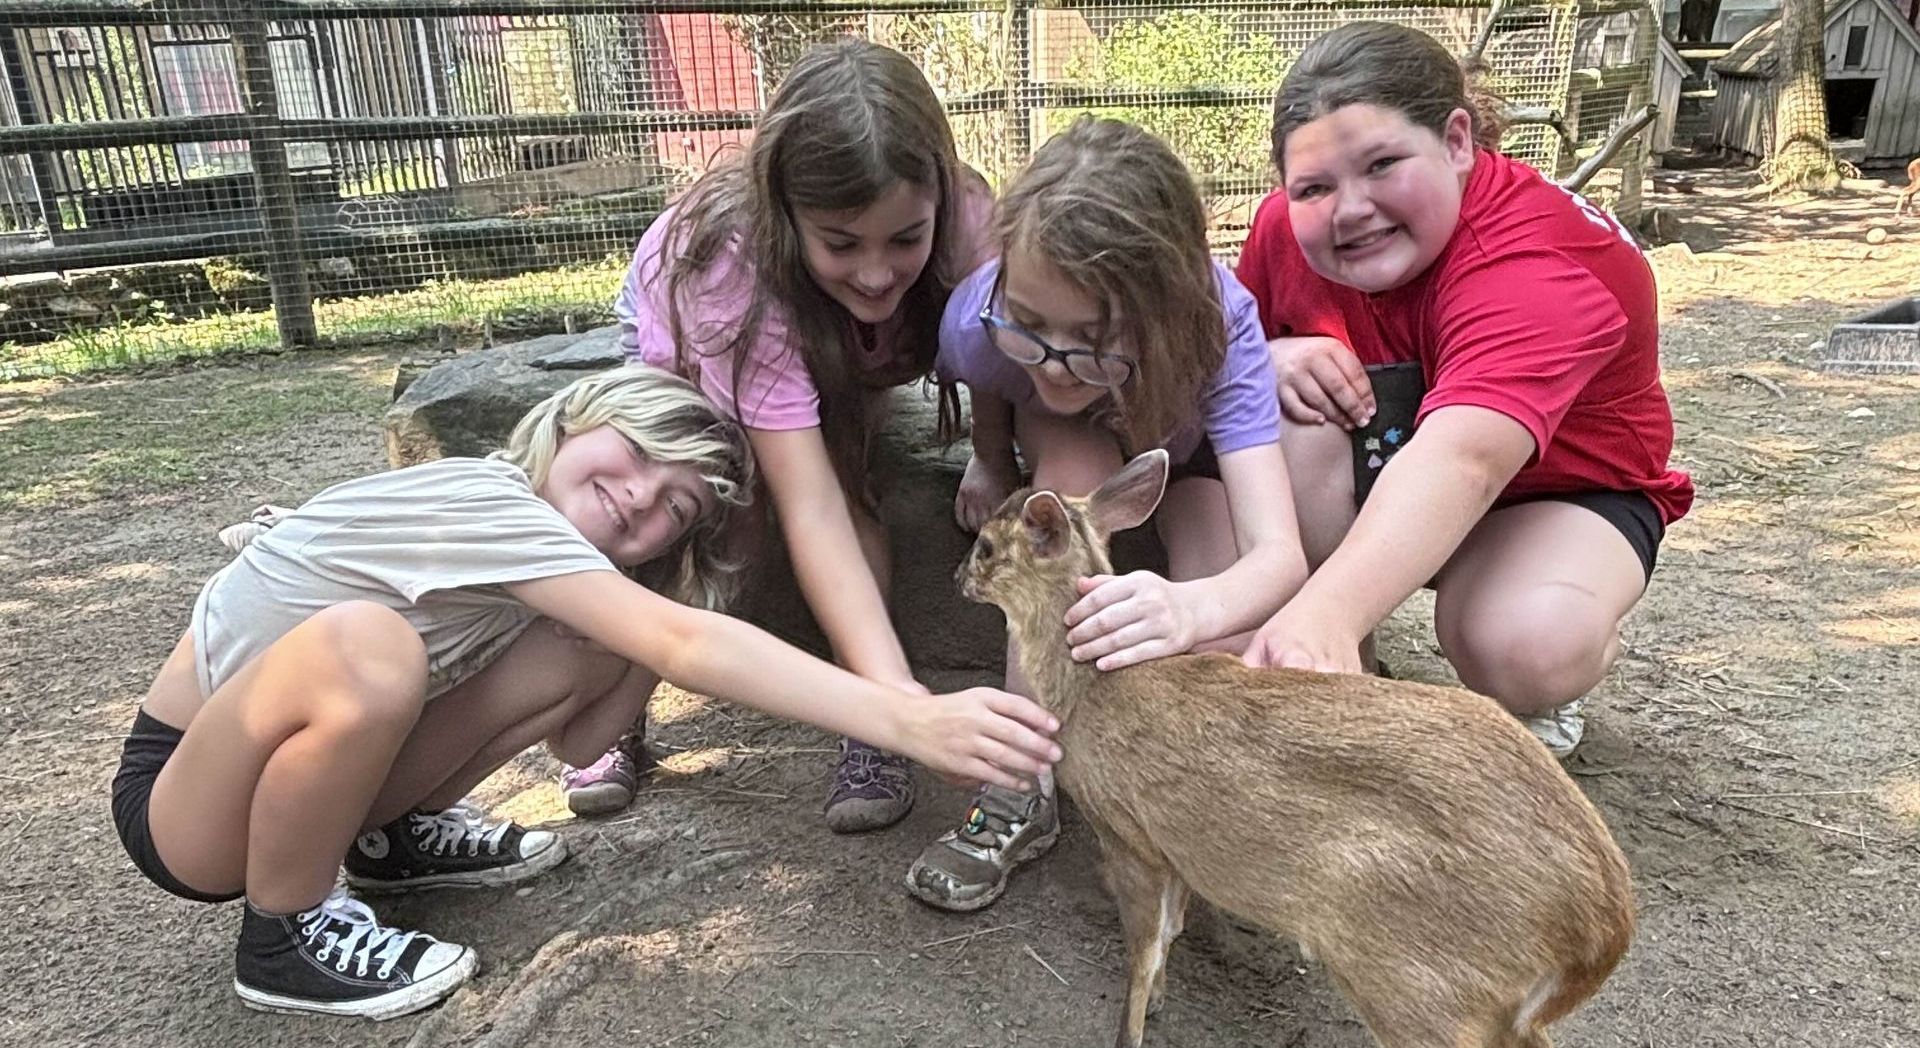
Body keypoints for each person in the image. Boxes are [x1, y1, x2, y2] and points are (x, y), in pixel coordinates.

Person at [111, 367, 1059, 1020]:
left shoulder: (571, 571)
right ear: (570, 421)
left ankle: (385, 843)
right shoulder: (483, 500)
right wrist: (903, 714)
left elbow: (584, 737)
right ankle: (284, 936)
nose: (640, 498)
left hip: (285, 788)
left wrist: (652, 610)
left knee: (586, 637)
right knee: (371, 648)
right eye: (636, 453)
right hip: (185, 805)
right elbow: (686, 643)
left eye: (674, 510)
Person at [1235, 21, 1694, 758]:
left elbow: (1464, 462)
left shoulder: (1533, 261)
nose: (1349, 209)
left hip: (1557, 492)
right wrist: (1269, 355)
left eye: (1382, 164)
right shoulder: (1284, 231)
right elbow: (1217, 348)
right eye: (1314, 187)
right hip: (1395, 455)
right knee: (1289, 398)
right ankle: (1348, 671)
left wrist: (1322, 612)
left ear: (1457, 141)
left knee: (1522, 645)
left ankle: (1522, 653)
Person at [905, 116, 1308, 912]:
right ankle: (1020, 781)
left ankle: (1196, 801)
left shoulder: (1220, 330)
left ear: (1168, 307)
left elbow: (1278, 552)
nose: (1052, 357)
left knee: (1226, 625)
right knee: (1062, 486)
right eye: (1032, 324)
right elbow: (994, 372)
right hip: (1084, 441)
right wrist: (989, 455)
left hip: (1190, 461)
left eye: (1091, 336)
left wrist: (1190, 608)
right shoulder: (983, 319)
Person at [595, 39, 999, 832]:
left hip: (837, 341)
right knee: (685, 495)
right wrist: (906, 706)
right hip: (706, 340)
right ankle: (615, 700)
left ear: (938, 201)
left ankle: (866, 715)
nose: (879, 271)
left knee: (853, 485)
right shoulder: (730, 271)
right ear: (787, 215)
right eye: (843, 242)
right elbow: (804, 503)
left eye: (903, 239)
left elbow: (996, 349)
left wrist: (990, 455)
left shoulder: (968, 224)